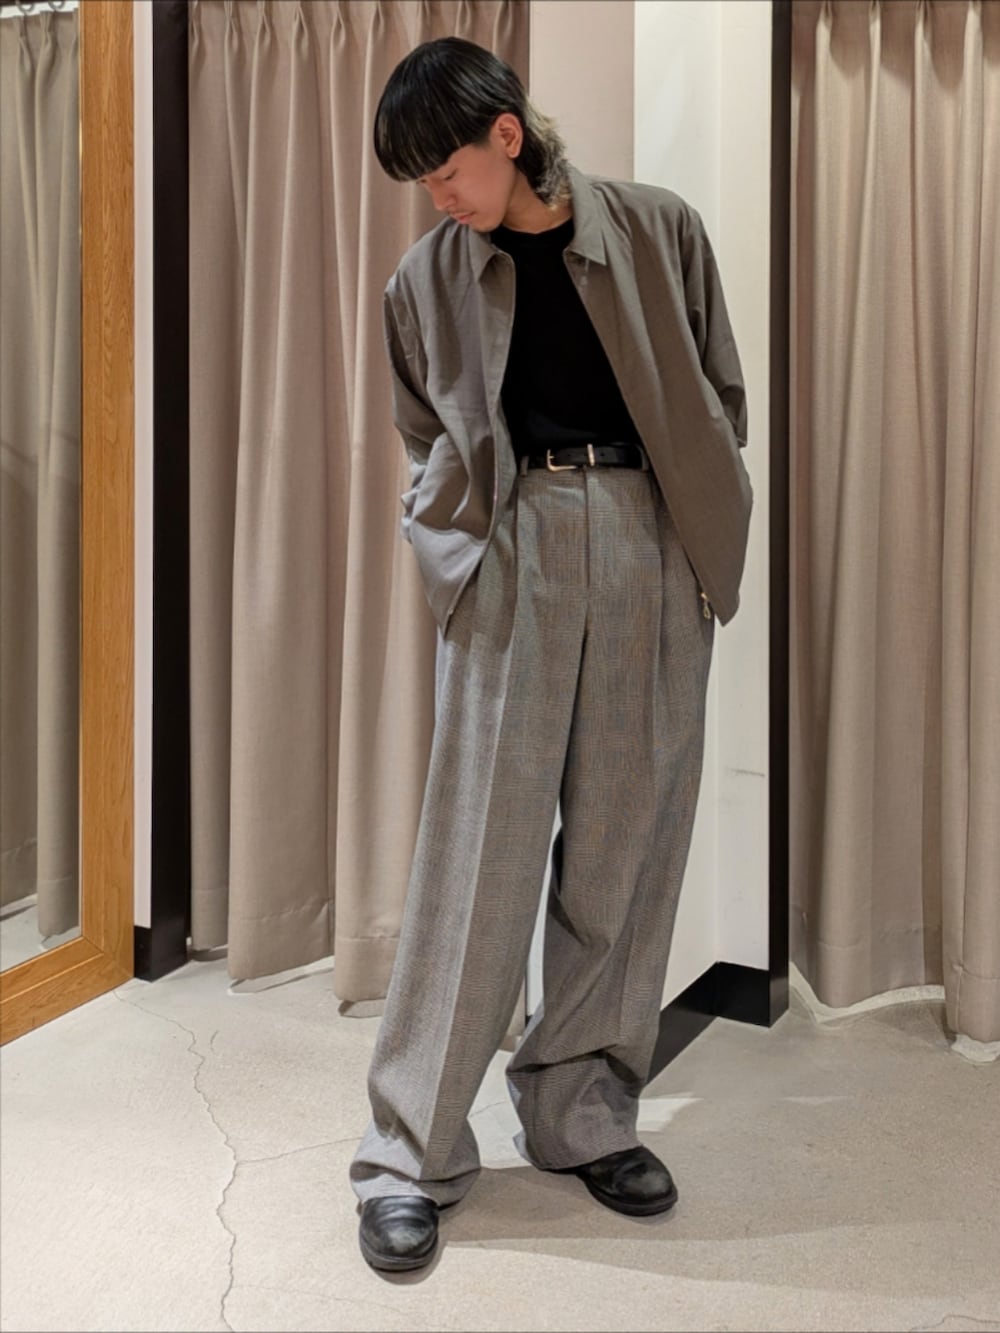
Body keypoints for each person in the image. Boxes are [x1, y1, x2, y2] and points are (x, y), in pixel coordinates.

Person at [349, 36, 752, 1274]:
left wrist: (695, 527)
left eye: (446, 171)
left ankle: (582, 1115)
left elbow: (718, 390)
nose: (438, 198)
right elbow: (424, 434)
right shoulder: (424, 279)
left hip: (647, 540)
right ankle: (410, 1152)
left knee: (626, 848)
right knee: (479, 852)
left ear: (507, 135)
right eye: (420, 183)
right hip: (510, 547)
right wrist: (455, 552)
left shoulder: (657, 229)